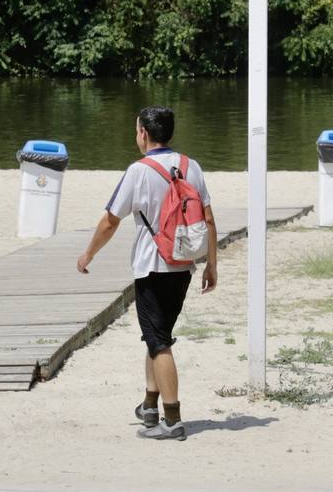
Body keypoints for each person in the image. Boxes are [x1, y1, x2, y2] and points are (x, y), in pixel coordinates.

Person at [77, 106, 216, 441]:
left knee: (160, 342)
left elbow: (110, 221)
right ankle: (150, 406)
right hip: (182, 264)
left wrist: (88, 253)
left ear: (143, 133)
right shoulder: (190, 166)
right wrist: (212, 264)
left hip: (152, 266)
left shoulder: (138, 171)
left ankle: (172, 420)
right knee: (157, 336)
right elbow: (208, 219)